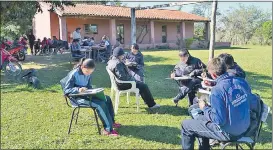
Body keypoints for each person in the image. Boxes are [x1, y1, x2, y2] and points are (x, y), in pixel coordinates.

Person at [181, 58, 253, 150]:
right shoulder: (242, 82)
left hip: (228, 133)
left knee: (186, 125)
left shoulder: (217, 91)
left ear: (213, 75)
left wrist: (204, 108)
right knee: (199, 117)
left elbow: (219, 120)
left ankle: (204, 146)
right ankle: (204, 147)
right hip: (245, 127)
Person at [60, 58, 121, 136]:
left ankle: (112, 122)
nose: (88, 74)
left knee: (107, 99)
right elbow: (67, 90)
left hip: (86, 95)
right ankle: (108, 130)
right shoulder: (74, 74)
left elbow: (88, 87)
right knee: (100, 104)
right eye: (87, 72)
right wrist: (78, 89)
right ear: (82, 67)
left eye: (91, 72)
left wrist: (95, 91)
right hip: (76, 98)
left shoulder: (88, 74)